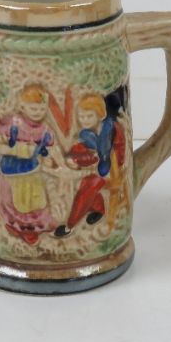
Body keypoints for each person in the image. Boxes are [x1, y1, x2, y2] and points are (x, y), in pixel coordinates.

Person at [0, 84, 56, 244]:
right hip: (11, 172)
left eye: (42, 109)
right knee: (12, 202)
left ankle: (32, 229)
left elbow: (49, 149)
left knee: (33, 202)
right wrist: (17, 150)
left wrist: (49, 158)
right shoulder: (12, 124)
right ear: (22, 106)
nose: (38, 112)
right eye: (33, 108)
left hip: (32, 173)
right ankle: (15, 227)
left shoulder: (44, 129)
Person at [54, 94, 126, 238]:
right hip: (96, 168)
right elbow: (83, 151)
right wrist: (73, 159)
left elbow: (119, 153)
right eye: (82, 117)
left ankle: (70, 225)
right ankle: (98, 209)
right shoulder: (87, 134)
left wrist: (110, 165)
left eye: (89, 116)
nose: (84, 120)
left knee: (88, 185)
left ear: (100, 115)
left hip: (112, 170)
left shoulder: (112, 129)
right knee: (74, 178)